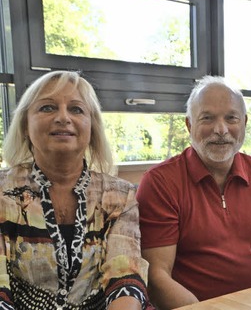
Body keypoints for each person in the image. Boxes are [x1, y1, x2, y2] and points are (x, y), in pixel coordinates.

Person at [137, 75, 251, 309]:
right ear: (189, 125)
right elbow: (156, 276)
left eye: (231, 118)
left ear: (244, 122)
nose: (221, 129)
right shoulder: (160, 183)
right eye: (207, 118)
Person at [0, 71, 150, 309]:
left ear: (92, 129)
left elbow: (126, 278)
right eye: (47, 108)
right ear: (25, 126)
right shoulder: (2, 192)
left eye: (76, 109)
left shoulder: (119, 195)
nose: (63, 117)